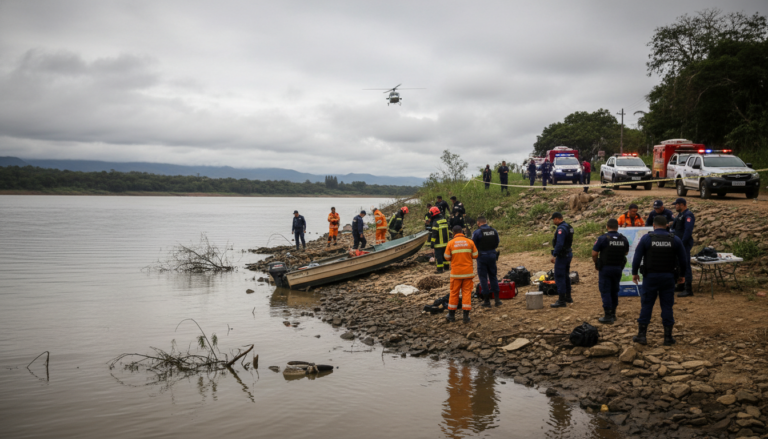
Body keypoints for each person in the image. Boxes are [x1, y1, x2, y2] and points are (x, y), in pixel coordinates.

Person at [631, 215, 687, 346]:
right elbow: (683, 260)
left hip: (650, 277)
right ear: (667, 225)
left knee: (647, 305)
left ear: (654, 226)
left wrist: (634, 273)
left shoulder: (647, 238)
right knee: (667, 306)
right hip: (668, 277)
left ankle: (642, 336)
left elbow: (637, 257)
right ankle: (668, 338)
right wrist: (682, 275)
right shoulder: (675, 239)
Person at [592, 219, 629, 324]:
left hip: (606, 268)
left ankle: (608, 316)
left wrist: (596, 263)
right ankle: (613, 313)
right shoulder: (624, 239)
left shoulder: (603, 238)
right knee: (614, 290)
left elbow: (594, 253)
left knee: (605, 290)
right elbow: (625, 253)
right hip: (618, 268)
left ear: (607, 226)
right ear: (617, 227)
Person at [443, 225, 478, 323]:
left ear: (453, 233)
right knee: (467, 293)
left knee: (454, 293)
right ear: (462, 231)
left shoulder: (450, 243)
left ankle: (451, 316)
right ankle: (466, 317)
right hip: (468, 273)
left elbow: (446, 257)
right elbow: (475, 255)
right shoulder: (470, 242)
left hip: (456, 274)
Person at [472, 216, 501, 307]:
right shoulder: (494, 231)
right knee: (493, 276)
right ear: (486, 221)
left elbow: (473, 245)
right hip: (492, 255)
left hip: (482, 257)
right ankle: (497, 300)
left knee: (483, 278)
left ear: (478, 223)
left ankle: (487, 301)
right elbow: (497, 242)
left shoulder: (477, 232)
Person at [671, 198, 695, 297]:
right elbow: (674, 227)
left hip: (683, 244)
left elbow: (688, 231)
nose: (675, 207)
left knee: (685, 265)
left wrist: (682, 243)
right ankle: (681, 285)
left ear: (681, 205)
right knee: (678, 265)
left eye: (676, 205)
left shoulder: (688, 215)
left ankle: (688, 289)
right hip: (678, 243)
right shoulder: (680, 215)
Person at [549, 212, 574, 308]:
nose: (553, 221)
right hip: (568, 254)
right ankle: (568, 297)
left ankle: (561, 300)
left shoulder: (561, 229)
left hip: (562, 255)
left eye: (553, 219)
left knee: (559, 276)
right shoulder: (568, 226)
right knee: (566, 276)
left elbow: (559, 243)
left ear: (556, 219)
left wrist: (554, 255)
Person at [429, 206, 451, 273]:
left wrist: (432, 243)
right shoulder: (444, 220)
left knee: (439, 257)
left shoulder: (435, 222)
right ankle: (446, 267)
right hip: (445, 243)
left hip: (438, 243)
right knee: (445, 256)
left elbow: (434, 234)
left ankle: (440, 269)